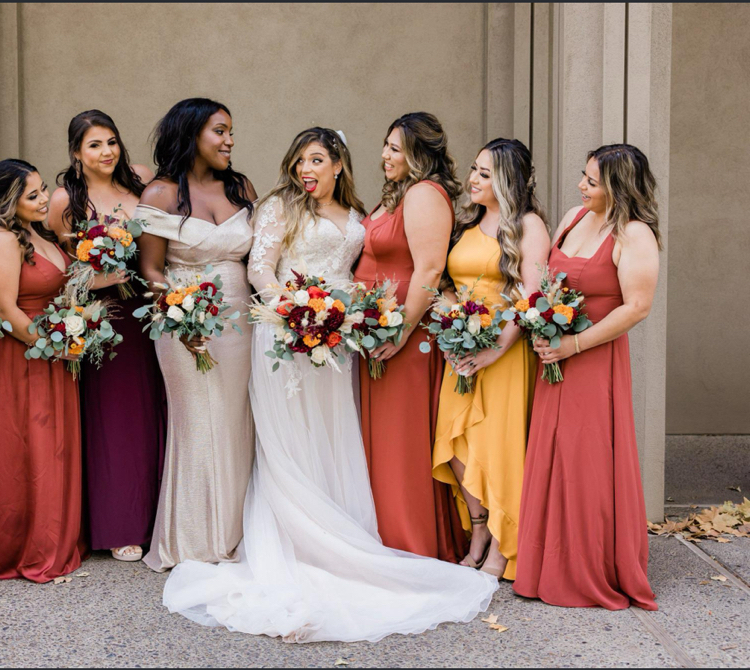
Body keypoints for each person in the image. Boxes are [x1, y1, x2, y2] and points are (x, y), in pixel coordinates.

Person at [159, 128, 498, 643]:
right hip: (285, 337)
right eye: (299, 161)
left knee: (335, 434)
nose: (306, 170)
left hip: (337, 343)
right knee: (289, 440)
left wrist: (345, 319)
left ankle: (342, 530)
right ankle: (297, 541)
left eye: (316, 159)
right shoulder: (279, 208)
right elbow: (259, 269)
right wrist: (297, 312)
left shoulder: (360, 216)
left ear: (339, 164)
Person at [514, 144, 660, 610]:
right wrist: (539, 325)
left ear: (619, 186)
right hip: (553, 356)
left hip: (593, 360)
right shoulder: (574, 217)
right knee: (552, 453)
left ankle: (587, 568)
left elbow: (637, 307)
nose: (582, 186)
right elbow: (547, 280)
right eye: (584, 176)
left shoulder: (634, 234)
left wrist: (573, 344)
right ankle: (546, 567)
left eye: (593, 181)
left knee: (585, 460)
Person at [135, 98, 256, 572]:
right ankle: (194, 540)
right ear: (191, 135)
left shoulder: (241, 187)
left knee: (235, 422)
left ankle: (236, 533)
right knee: (199, 424)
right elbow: (150, 270)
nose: (229, 141)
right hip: (184, 326)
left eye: (231, 132)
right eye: (220, 131)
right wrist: (180, 318)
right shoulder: (160, 195)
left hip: (240, 323)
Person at [47, 110, 167, 563]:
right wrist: (90, 279)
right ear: (77, 153)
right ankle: (120, 521)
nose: (106, 152)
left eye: (112, 141)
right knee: (115, 419)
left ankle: (160, 515)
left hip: (150, 307)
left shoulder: (142, 181)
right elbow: (55, 268)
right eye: (94, 145)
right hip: (105, 316)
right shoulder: (65, 200)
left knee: (155, 407)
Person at [430, 138, 550, 580]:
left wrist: (493, 348)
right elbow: (445, 282)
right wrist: (450, 322)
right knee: (456, 442)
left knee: (497, 447)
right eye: (474, 170)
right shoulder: (465, 225)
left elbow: (530, 296)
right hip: (460, 348)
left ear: (505, 179)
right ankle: (478, 529)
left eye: (484, 173)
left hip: (504, 352)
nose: (472, 180)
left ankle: (504, 546)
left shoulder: (528, 226)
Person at [354, 112, 469, 562]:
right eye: (385, 145)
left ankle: (410, 541)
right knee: (383, 443)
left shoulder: (423, 194)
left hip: (406, 336)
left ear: (420, 154)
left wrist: (400, 331)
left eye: (396, 148)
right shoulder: (400, 193)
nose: (385, 155)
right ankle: (385, 532)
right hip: (381, 332)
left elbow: (429, 270)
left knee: (401, 444)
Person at [0, 159, 86, 582]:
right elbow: (5, 311)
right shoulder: (1, 240)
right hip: (23, 357)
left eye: (43, 191)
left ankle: (54, 538)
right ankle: (25, 546)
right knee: (30, 447)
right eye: (33, 195)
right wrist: (54, 347)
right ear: (8, 201)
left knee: (53, 447)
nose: (44, 200)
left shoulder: (34, 234)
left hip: (53, 350)